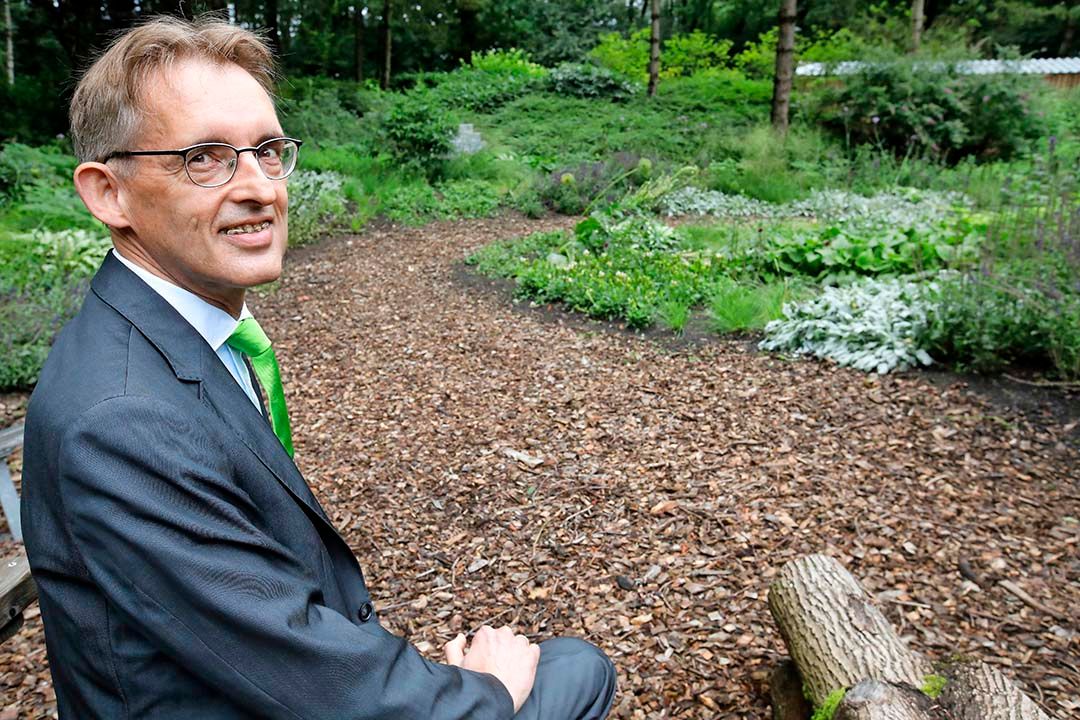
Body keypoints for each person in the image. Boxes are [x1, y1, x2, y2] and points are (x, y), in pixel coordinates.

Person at [20, 15, 615, 720]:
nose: (258, 188)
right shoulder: (123, 418)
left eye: (268, 152)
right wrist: (484, 689)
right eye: (205, 157)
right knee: (579, 671)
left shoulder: (179, 338)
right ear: (107, 193)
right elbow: (319, 686)